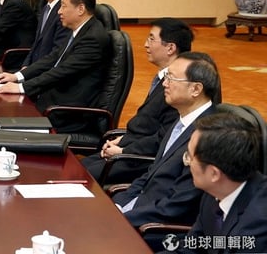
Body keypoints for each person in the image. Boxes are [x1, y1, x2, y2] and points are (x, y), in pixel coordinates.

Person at [113, 52, 220, 232]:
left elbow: (179, 203)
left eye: (171, 78)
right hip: (140, 209)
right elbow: (150, 174)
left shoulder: (209, 135)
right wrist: (118, 204)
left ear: (195, 89)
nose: (164, 83)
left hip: (158, 227)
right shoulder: (182, 119)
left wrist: (122, 219)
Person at [81, 18, 192, 183]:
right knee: (75, 167)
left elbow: (164, 137)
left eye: (151, 39)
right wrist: (121, 140)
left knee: (79, 177)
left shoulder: (178, 88)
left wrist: (123, 150)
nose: (146, 45)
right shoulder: (163, 79)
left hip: (139, 160)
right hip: (129, 148)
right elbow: (146, 125)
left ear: (170, 48)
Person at [0, 0, 109, 133]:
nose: (59, 11)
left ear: (80, 9)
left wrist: (22, 88)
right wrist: (17, 76)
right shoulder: (78, 30)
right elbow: (52, 58)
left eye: (64, 6)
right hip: (51, 100)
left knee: (6, 125)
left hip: (67, 112)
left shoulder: (92, 39)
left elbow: (61, 71)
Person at [167, 112, 267, 254]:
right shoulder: (215, 192)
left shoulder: (256, 227)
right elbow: (193, 247)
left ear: (214, 173)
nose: (186, 162)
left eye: (190, 156)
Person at [21, 0, 71, 67]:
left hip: (48, 71)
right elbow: (36, 44)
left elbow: (57, 53)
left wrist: (28, 72)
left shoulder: (66, 11)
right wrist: (25, 66)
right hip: (35, 69)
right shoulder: (45, 8)